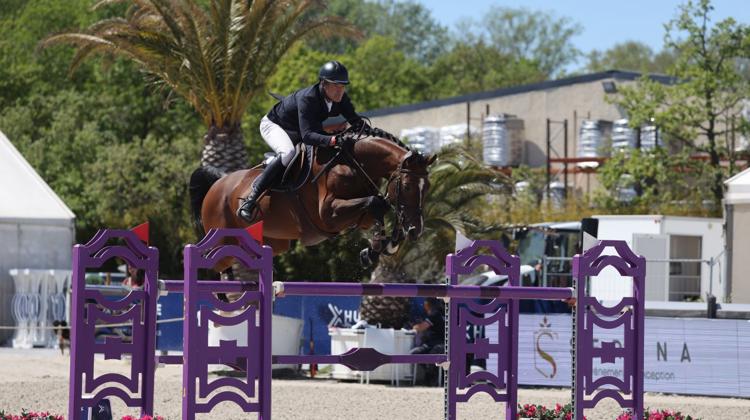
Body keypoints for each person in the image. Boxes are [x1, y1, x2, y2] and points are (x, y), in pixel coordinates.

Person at [237, 60, 365, 223]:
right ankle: (250, 200)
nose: (340, 90)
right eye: (336, 86)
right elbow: (308, 136)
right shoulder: (308, 98)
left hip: (299, 128)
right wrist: (333, 139)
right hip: (275, 125)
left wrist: (369, 132)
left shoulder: (341, 98)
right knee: (288, 153)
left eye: (343, 86)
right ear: (324, 84)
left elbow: (355, 120)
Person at [410, 297, 445, 386]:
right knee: (417, 354)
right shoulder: (442, 314)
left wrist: (414, 327)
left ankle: (431, 376)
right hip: (438, 344)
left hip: (436, 344)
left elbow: (422, 327)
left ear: (427, 305)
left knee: (415, 354)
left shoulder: (435, 315)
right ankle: (430, 375)